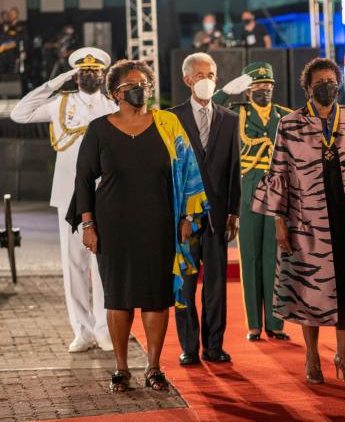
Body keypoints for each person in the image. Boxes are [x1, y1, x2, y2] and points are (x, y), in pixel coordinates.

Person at [67, 59, 209, 392]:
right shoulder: (100, 129)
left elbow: (189, 171)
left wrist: (188, 217)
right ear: (115, 92)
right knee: (118, 297)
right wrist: (88, 223)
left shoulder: (167, 123)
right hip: (113, 225)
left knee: (156, 297)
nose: (140, 88)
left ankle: (154, 367)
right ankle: (121, 368)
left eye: (144, 82)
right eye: (132, 84)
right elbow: (84, 180)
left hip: (160, 223)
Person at [251, 58, 345, 383]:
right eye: (319, 82)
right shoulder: (290, 123)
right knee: (307, 290)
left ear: (338, 84)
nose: (326, 86)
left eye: (331, 80)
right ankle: (312, 358)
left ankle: (344, 357)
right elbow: (278, 174)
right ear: (308, 88)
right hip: (307, 224)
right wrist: (279, 223)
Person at [10, 48, 117, 353]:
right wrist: (53, 84)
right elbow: (21, 113)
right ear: (75, 75)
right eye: (83, 71)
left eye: (95, 71)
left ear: (103, 75)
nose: (89, 75)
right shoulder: (61, 103)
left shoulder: (111, 106)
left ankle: (103, 328)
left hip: (104, 193)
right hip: (69, 194)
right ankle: (82, 330)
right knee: (74, 264)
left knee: (103, 265)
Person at [169, 53, 241, 366]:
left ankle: (214, 345)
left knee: (216, 287)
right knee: (185, 284)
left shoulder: (229, 118)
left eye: (211, 74)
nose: (207, 80)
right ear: (187, 80)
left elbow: (234, 169)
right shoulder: (172, 119)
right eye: (200, 74)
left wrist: (234, 212)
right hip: (185, 219)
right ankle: (189, 346)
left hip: (217, 216)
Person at [213, 62, 292, 342]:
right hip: (247, 189)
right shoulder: (237, 113)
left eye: (268, 87)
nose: (264, 91)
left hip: (276, 190)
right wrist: (226, 90)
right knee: (249, 256)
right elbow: (210, 107)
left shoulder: (284, 115)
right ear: (248, 91)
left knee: (274, 256)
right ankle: (255, 324)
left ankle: (275, 323)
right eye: (258, 87)